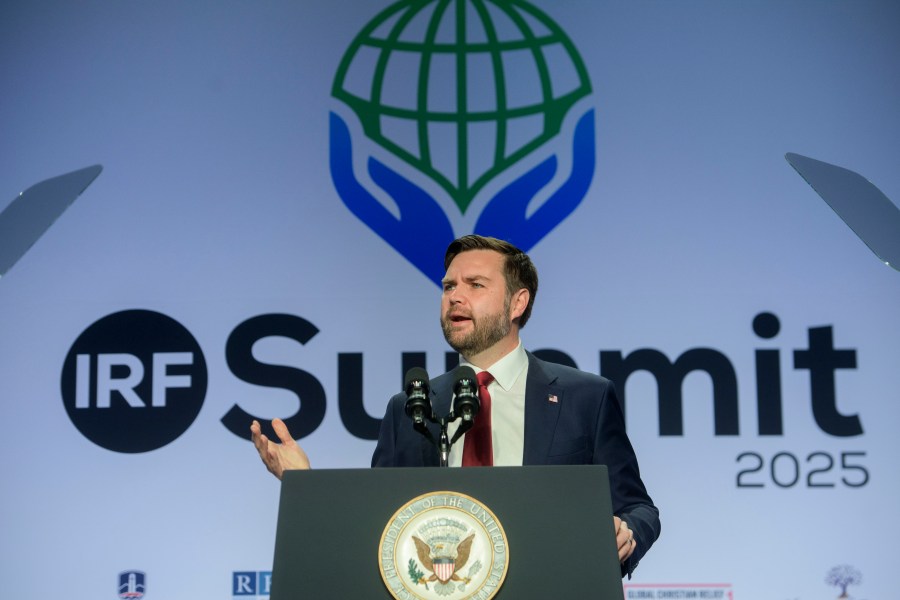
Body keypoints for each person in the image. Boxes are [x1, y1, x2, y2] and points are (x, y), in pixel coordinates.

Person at [251, 235, 660, 576]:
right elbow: (379, 529)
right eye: (449, 287)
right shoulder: (409, 407)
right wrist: (304, 485)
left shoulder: (583, 397)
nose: (455, 298)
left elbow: (638, 507)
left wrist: (626, 532)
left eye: (475, 285)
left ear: (517, 304)